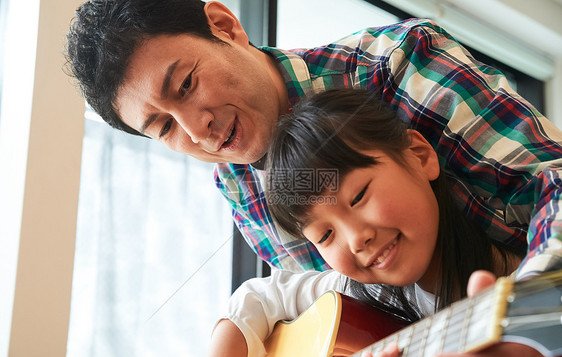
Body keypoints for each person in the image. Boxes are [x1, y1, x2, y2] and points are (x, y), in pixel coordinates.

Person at [66, 0, 562, 278]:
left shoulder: (397, 65)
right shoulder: (240, 190)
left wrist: (528, 321)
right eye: (165, 128)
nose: (200, 132)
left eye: (187, 85)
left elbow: (551, 183)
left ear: (224, 26)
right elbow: (342, 310)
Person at [202, 88, 560, 357]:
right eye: (325, 236)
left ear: (419, 156)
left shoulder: (522, 262)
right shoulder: (361, 291)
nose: (356, 239)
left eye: (358, 196)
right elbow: (259, 297)